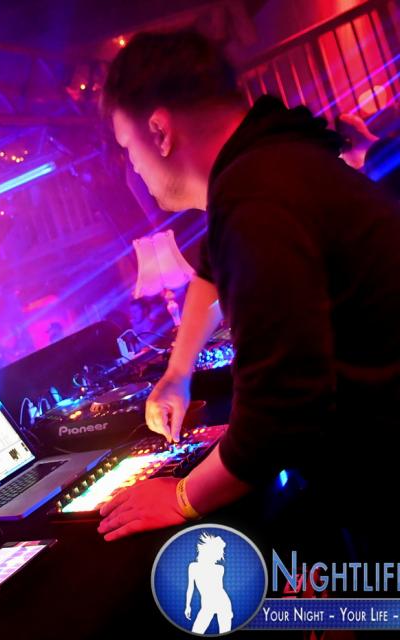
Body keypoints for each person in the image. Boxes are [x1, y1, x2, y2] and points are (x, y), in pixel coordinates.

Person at [96, 28, 400, 564]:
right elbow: (210, 272)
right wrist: (178, 373)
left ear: (159, 131)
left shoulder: (256, 199)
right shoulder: (270, 161)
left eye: (128, 148)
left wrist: (181, 497)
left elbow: (281, 410)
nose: (134, 169)